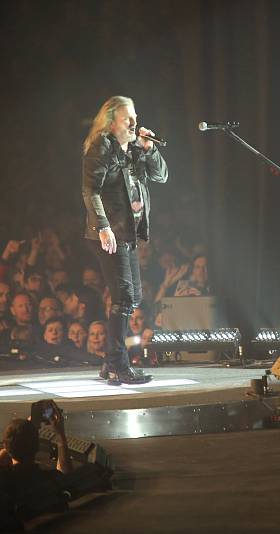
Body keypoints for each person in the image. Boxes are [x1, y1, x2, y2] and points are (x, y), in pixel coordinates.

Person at [82, 96, 168, 384]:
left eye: (135, 116)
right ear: (111, 122)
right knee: (123, 297)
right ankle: (119, 365)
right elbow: (90, 190)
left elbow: (161, 176)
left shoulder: (133, 149)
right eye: (127, 118)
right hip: (109, 233)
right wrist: (103, 226)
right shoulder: (102, 147)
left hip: (127, 234)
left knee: (133, 298)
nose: (134, 122)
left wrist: (149, 150)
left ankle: (110, 363)